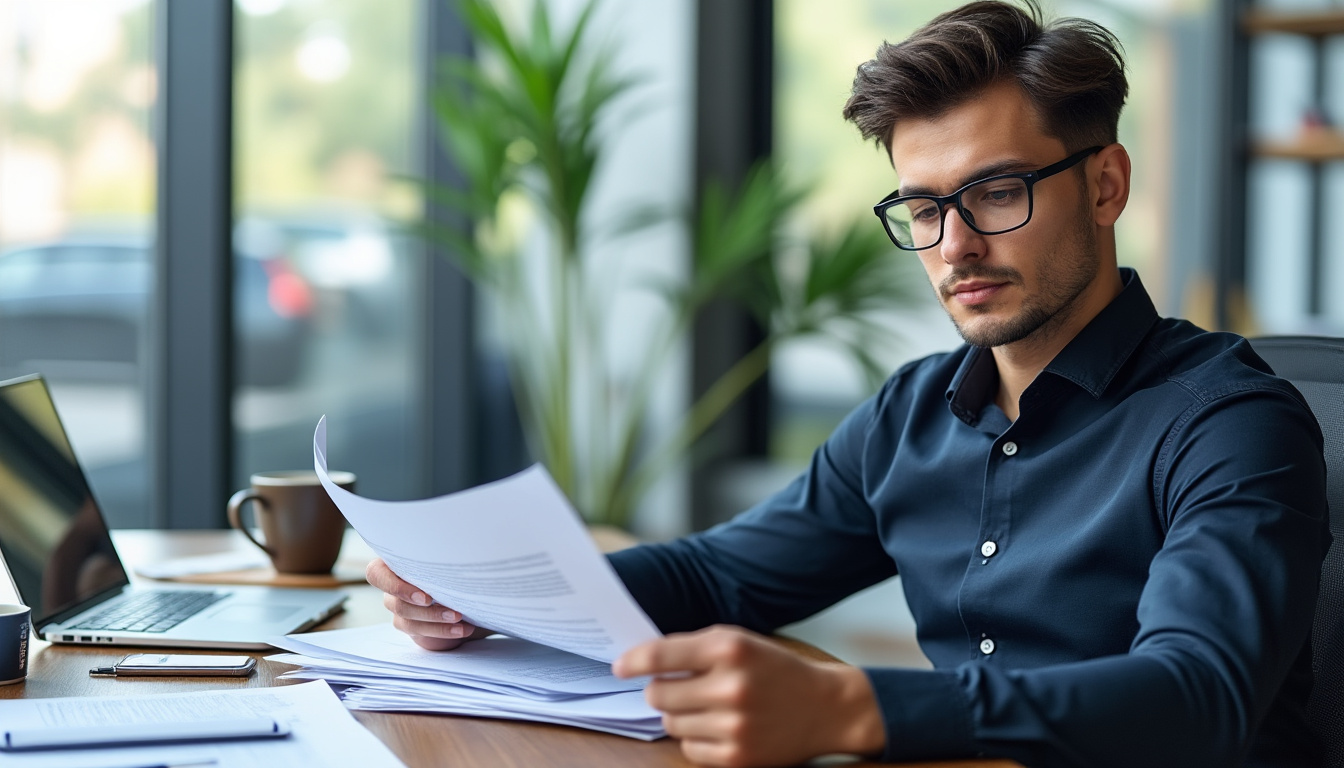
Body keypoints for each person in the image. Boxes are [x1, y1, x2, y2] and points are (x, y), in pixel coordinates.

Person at [367, 2, 1331, 765]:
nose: (955, 245)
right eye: (922, 206)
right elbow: (719, 575)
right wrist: (484, 595)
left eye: (997, 192)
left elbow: (1198, 695)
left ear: (1107, 185)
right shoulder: (910, 414)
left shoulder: (1229, 421)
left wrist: (853, 705)